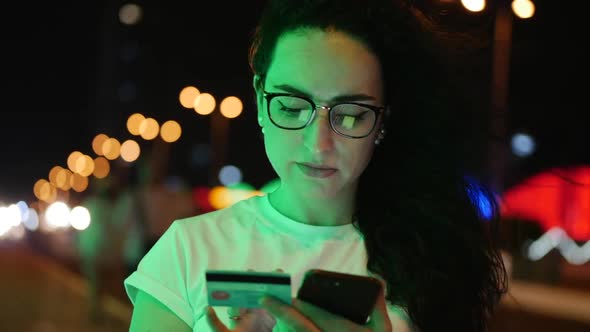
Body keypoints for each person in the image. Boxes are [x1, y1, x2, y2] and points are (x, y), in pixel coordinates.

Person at [125, 0, 508, 331]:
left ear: (382, 122)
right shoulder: (189, 249)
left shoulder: (428, 261)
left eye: (351, 115)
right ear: (260, 102)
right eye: (291, 108)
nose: (318, 143)